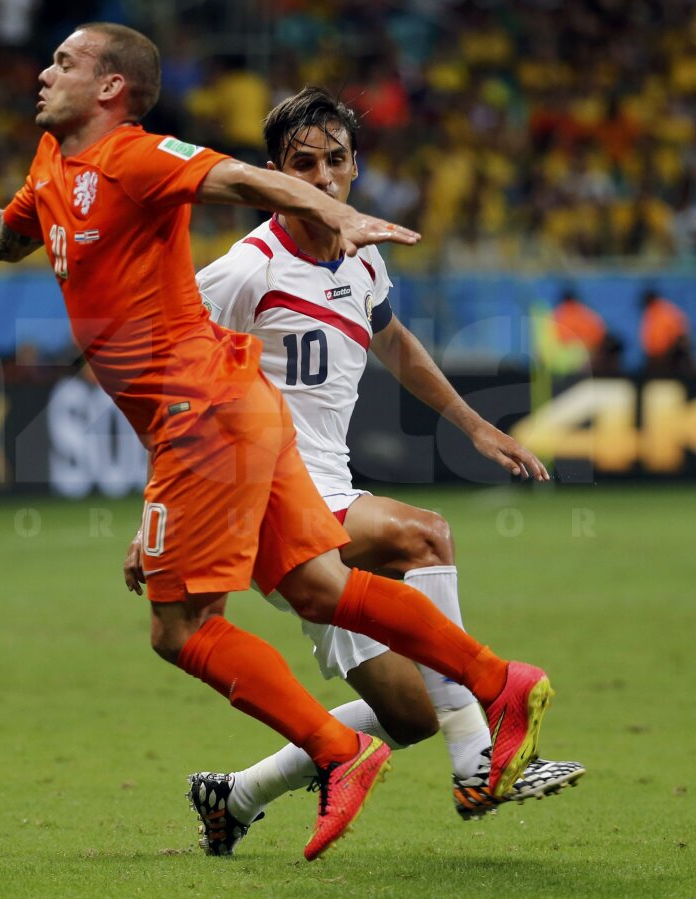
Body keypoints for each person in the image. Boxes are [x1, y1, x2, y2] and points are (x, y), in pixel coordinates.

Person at [0, 23, 554, 860]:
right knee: (323, 585)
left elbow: (238, 175)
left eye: (64, 62)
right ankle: (498, 683)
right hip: (237, 408)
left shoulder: (138, 156)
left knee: (182, 629)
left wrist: (332, 210)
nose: (43, 71)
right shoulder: (52, 167)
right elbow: (4, 237)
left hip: (202, 416)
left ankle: (343, 751)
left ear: (111, 87)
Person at [121, 87, 583, 854]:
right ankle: (481, 758)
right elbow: (177, 386)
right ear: (277, 174)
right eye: (304, 164)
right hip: (268, 503)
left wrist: (473, 424)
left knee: (409, 712)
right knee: (425, 536)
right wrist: (157, 519)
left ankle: (233, 797)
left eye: (336, 160)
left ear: (355, 166)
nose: (325, 175)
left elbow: (392, 339)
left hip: (333, 486)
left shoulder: (361, 255)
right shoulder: (245, 270)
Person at [639, 288, 695, 377]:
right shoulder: (652, 312)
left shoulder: (664, 311)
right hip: (657, 357)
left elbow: (678, 334)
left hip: (669, 356)